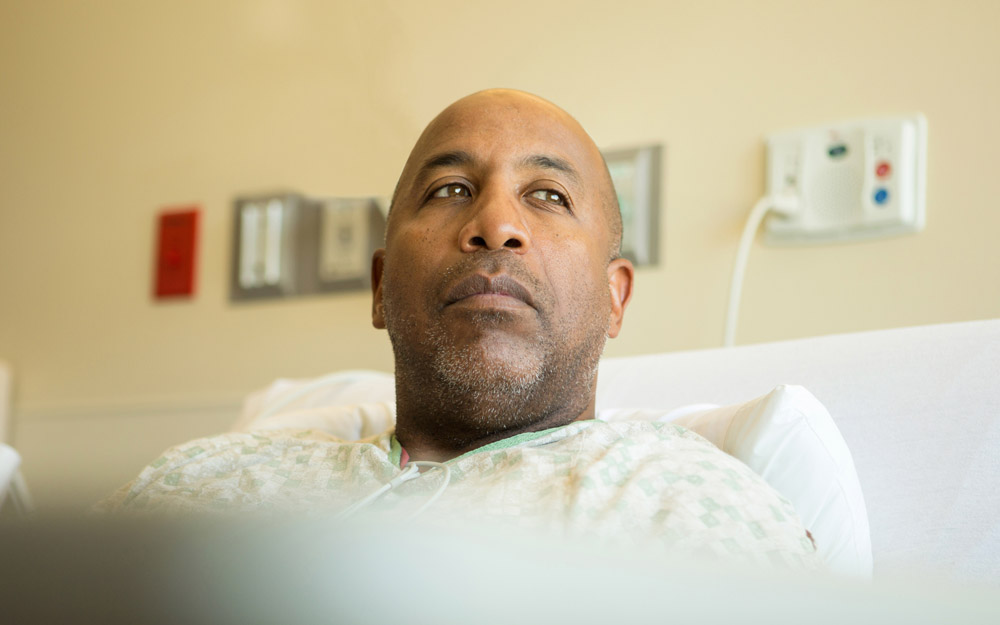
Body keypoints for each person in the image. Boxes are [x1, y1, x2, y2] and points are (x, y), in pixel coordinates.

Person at [102, 90, 819, 570]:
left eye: (548, 195)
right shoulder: (200, 483)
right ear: (380, 287)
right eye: (450, 190)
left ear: (613, 297)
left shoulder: (692, 508)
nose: (496, 225)